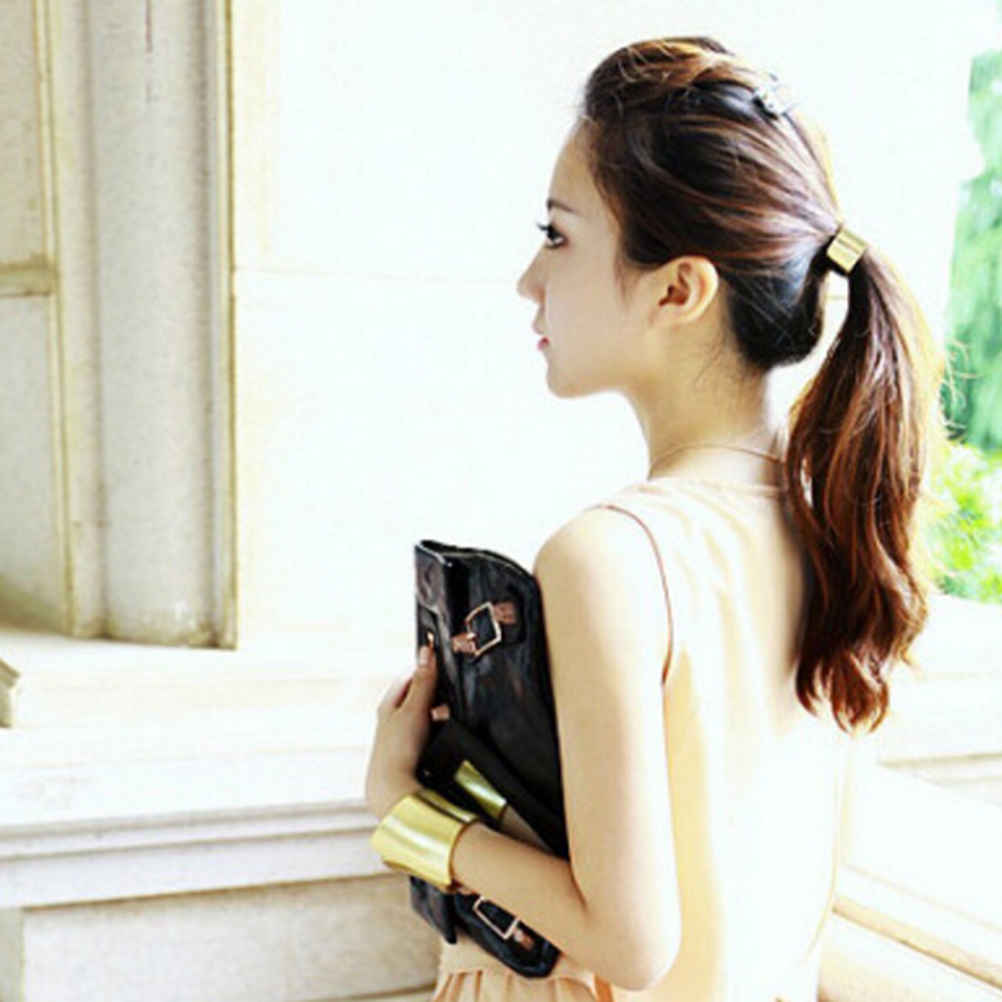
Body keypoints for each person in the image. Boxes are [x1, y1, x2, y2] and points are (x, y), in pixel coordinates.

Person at [364, 36, 942, 1002]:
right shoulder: (834, 525)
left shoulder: (612, 556)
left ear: (679, 289)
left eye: (557, 236)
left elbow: (630, 940)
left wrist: (407, 810)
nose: (529, 279)